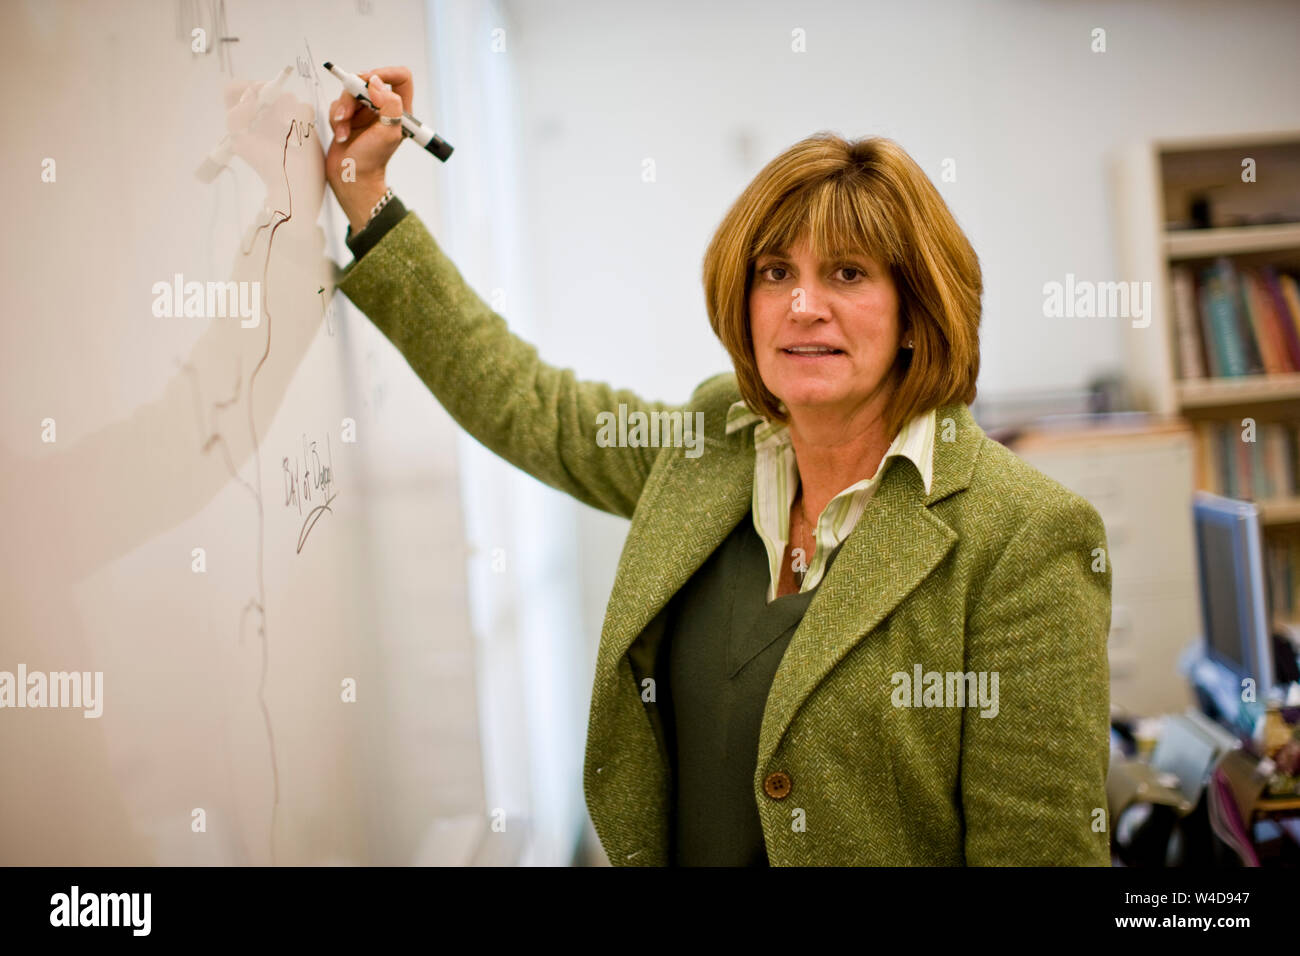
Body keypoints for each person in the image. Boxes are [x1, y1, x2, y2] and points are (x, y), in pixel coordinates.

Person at [324, 67, 1114, 866]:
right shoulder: (716, 441)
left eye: (847, 273)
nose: (804, 305)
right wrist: (367, 196)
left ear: (917, 311)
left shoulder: (1024, 537)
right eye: (776, 273)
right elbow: (531, 405)